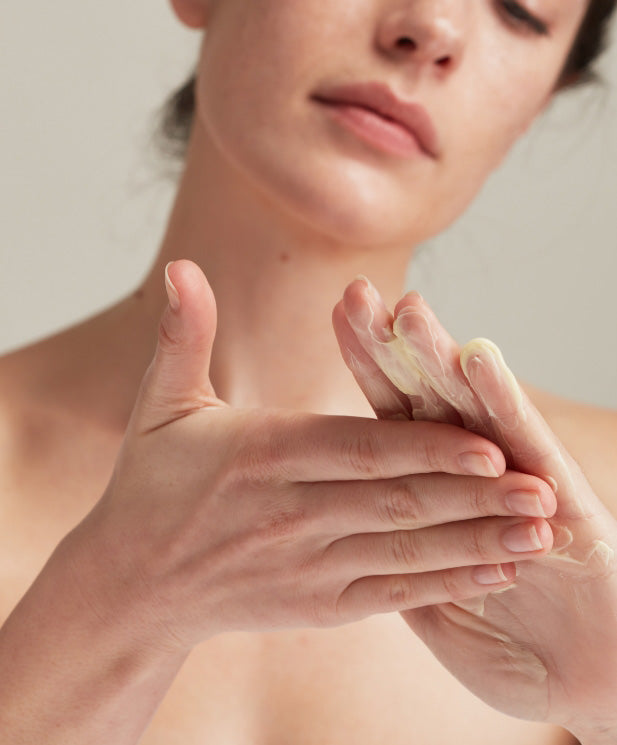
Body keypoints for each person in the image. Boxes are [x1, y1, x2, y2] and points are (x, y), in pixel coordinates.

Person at [0, 1, 616, 743]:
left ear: (545, 94)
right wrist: (113, 601)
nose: (429, 29)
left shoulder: (597, 533)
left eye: (520, 10)